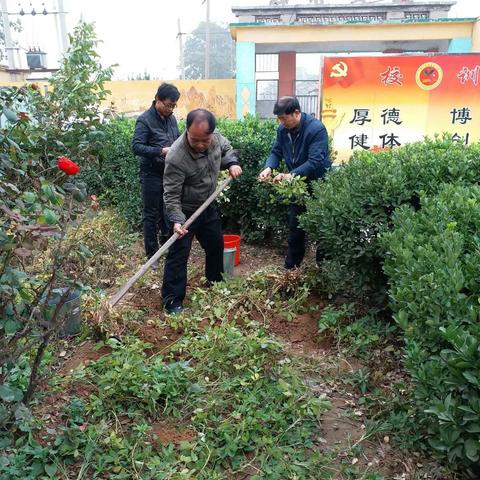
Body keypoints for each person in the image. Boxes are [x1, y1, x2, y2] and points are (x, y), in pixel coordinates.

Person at [162, 109, 242, 315]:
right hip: (185, 210)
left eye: (204, 140)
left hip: (207, 205)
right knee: (179, 255)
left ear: (212, 135)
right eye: (194, 139)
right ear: (187, 131)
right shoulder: (176, 156)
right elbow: (170, 194)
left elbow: (227, 149)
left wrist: (232, 163)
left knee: (216, 245)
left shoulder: (216, 139)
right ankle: (172, 300)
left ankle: (215, 283)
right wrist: (177, 220)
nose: (199, 144)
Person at [259, 96, 331, 269]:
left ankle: (324, 269)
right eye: (279, 119)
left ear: (297, 113)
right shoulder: (282, 130)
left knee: (322, 228)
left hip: (319, 186)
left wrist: (290, 175)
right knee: (295, 226)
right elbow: (276, 152)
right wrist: (269, 167)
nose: (281, 122)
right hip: (296, 188)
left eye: (284, 118)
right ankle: (291, 267)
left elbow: (315, 161)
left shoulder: (316, 129)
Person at [132, 83, 181, 267]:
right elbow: (136, 147)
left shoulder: (172, 119)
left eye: (173, 106)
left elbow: (177, 140)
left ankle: (167, 247)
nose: (170, 109)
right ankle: (152, 255)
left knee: (168, 212)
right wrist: (161, 151)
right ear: (158, 100)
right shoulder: (144, 120)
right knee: (151, 214)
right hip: (151, 174)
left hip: (169, 174)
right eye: (168, 104)